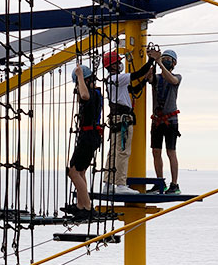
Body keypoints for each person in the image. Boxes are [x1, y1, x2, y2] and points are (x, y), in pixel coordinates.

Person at [102, 49, 155, 194]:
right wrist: (151, 60)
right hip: (123, 119)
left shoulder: (112, 81)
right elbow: (136, 74)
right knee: (123, 152)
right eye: (118, 62)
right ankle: (120, 184)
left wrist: (145, 80)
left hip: (115, 119)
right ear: (112, 66)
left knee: (113, 152)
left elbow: (134, 89)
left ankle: (108, 184)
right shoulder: (118, 78)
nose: (120, 64)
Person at [65, 64, 103, 220]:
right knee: (80, 172)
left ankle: (87, 207)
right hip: (91, 136)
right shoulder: (96, 93)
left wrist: (79, 75)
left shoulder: (91, 93)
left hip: (87, 136)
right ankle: (81, 205)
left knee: (72, 171)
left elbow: (85, 96)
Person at [147, 49, 182, 194]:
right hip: (157, 121)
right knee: (156, 151)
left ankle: (174, 184)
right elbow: (148, 78)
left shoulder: (177, 77)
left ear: (173, 63)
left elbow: (171, 80)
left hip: (170, 120)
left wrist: (160, 62)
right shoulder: (156, 77)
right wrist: (151, 61)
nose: (166, 61)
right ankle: (160, 181)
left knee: (170, 152)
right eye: (164, 58)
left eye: (168, 59)